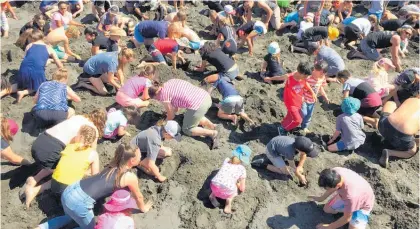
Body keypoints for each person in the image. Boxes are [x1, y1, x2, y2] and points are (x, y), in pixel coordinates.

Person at [34, 143, 153, 229]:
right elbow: (138, 197)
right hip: (80, 201)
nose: (141, 157)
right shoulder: (129, 177)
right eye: (139, 156)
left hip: (71, 190)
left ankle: (43, 227)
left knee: (71, 216)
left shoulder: (111, 165)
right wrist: (143, 208)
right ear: (132, 161)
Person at [24, 109, 106, 205]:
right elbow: (91, 151)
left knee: (56, 162)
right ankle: (35, 190)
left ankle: (34, 179)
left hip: (41, 140)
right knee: (66, 169)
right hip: (52, 150)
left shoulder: (78, 117)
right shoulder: (93, 129)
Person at [148, 79, 220, 149]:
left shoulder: (163, 96)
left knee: (187, 129)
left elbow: (171, 116)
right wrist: (169, 111)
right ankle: (212, 125)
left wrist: (162, 125)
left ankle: (213, 133)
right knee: (191, 116)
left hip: (199, 105)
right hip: (205, 96)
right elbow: (176, 108)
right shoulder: (170, 82)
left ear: (156, 94)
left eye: (156, 99)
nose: (158, 100)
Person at [309, 167, 375, 229]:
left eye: (326, 188)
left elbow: (347, 218)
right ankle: (347, 209)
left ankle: (352, 213)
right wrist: (321, 198)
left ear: (337, 186)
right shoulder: (334, 172)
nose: (325, 189)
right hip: (348, 196)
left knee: (350, 220)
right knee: (327, 209)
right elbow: (331, 188)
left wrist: (329, 227)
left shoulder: (350, 196)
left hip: (363, 204)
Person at [264, 62, 316, 135]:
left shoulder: (303, 78)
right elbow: (279, 77)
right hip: (290, 102)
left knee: (290, 116)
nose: (308, 77)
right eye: (307, 76)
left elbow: (305, 83)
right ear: (302, 74)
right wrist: (269, 78)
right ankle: (283, 129)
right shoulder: (290, 77)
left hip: (298, 101)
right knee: (298, 120)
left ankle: (283, 124)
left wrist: (312, 92)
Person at [12, 30, 63, 103]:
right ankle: (24, 92)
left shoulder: (29, 46)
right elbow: (59, 64)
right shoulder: (49, 48)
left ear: (31, 39)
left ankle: (3, 92)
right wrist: (62, 69)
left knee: (19, 85)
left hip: (23, 71)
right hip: (37, 73)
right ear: (43, 38)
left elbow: (27, 59)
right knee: (40, 85)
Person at [378, 98, 419, 168]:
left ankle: (376, 118)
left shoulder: (411, 99)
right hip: (402, 140)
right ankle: (390, 152)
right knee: (411, 151)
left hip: (383, 127)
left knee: (391, 103)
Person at [349, 26, 413, 72]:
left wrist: (397, 60)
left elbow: (393, 51)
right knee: (379, 60)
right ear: (402, 30)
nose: (408, 35)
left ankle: (365, 52)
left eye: (410, 35)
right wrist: (398, 67)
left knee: (385, 58)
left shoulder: (394, 34)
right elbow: (394, 55)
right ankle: (357, 53)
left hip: (366, 41)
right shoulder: (396, 38)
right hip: (367, 44)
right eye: (406, 33)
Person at [209, 145, 251, 214]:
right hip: (227, 192)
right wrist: (238, 184)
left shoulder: (226, 160)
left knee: (220, 181)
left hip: (213, 186)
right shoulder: (242, 169)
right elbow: (242, 189)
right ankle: (228, 205)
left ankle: (212, 195)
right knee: (235, 191)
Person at [301, 61, 329, 134]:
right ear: (315, 69)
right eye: (321, 73)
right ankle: (295, 119)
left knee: (309, 115)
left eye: (323, 74)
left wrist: (324, 95)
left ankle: (304, 127)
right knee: (303, 113)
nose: (322, 75)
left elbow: (320, 87)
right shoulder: (308, 76)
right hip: (303, 98)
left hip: (312, 100)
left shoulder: (322, 78)